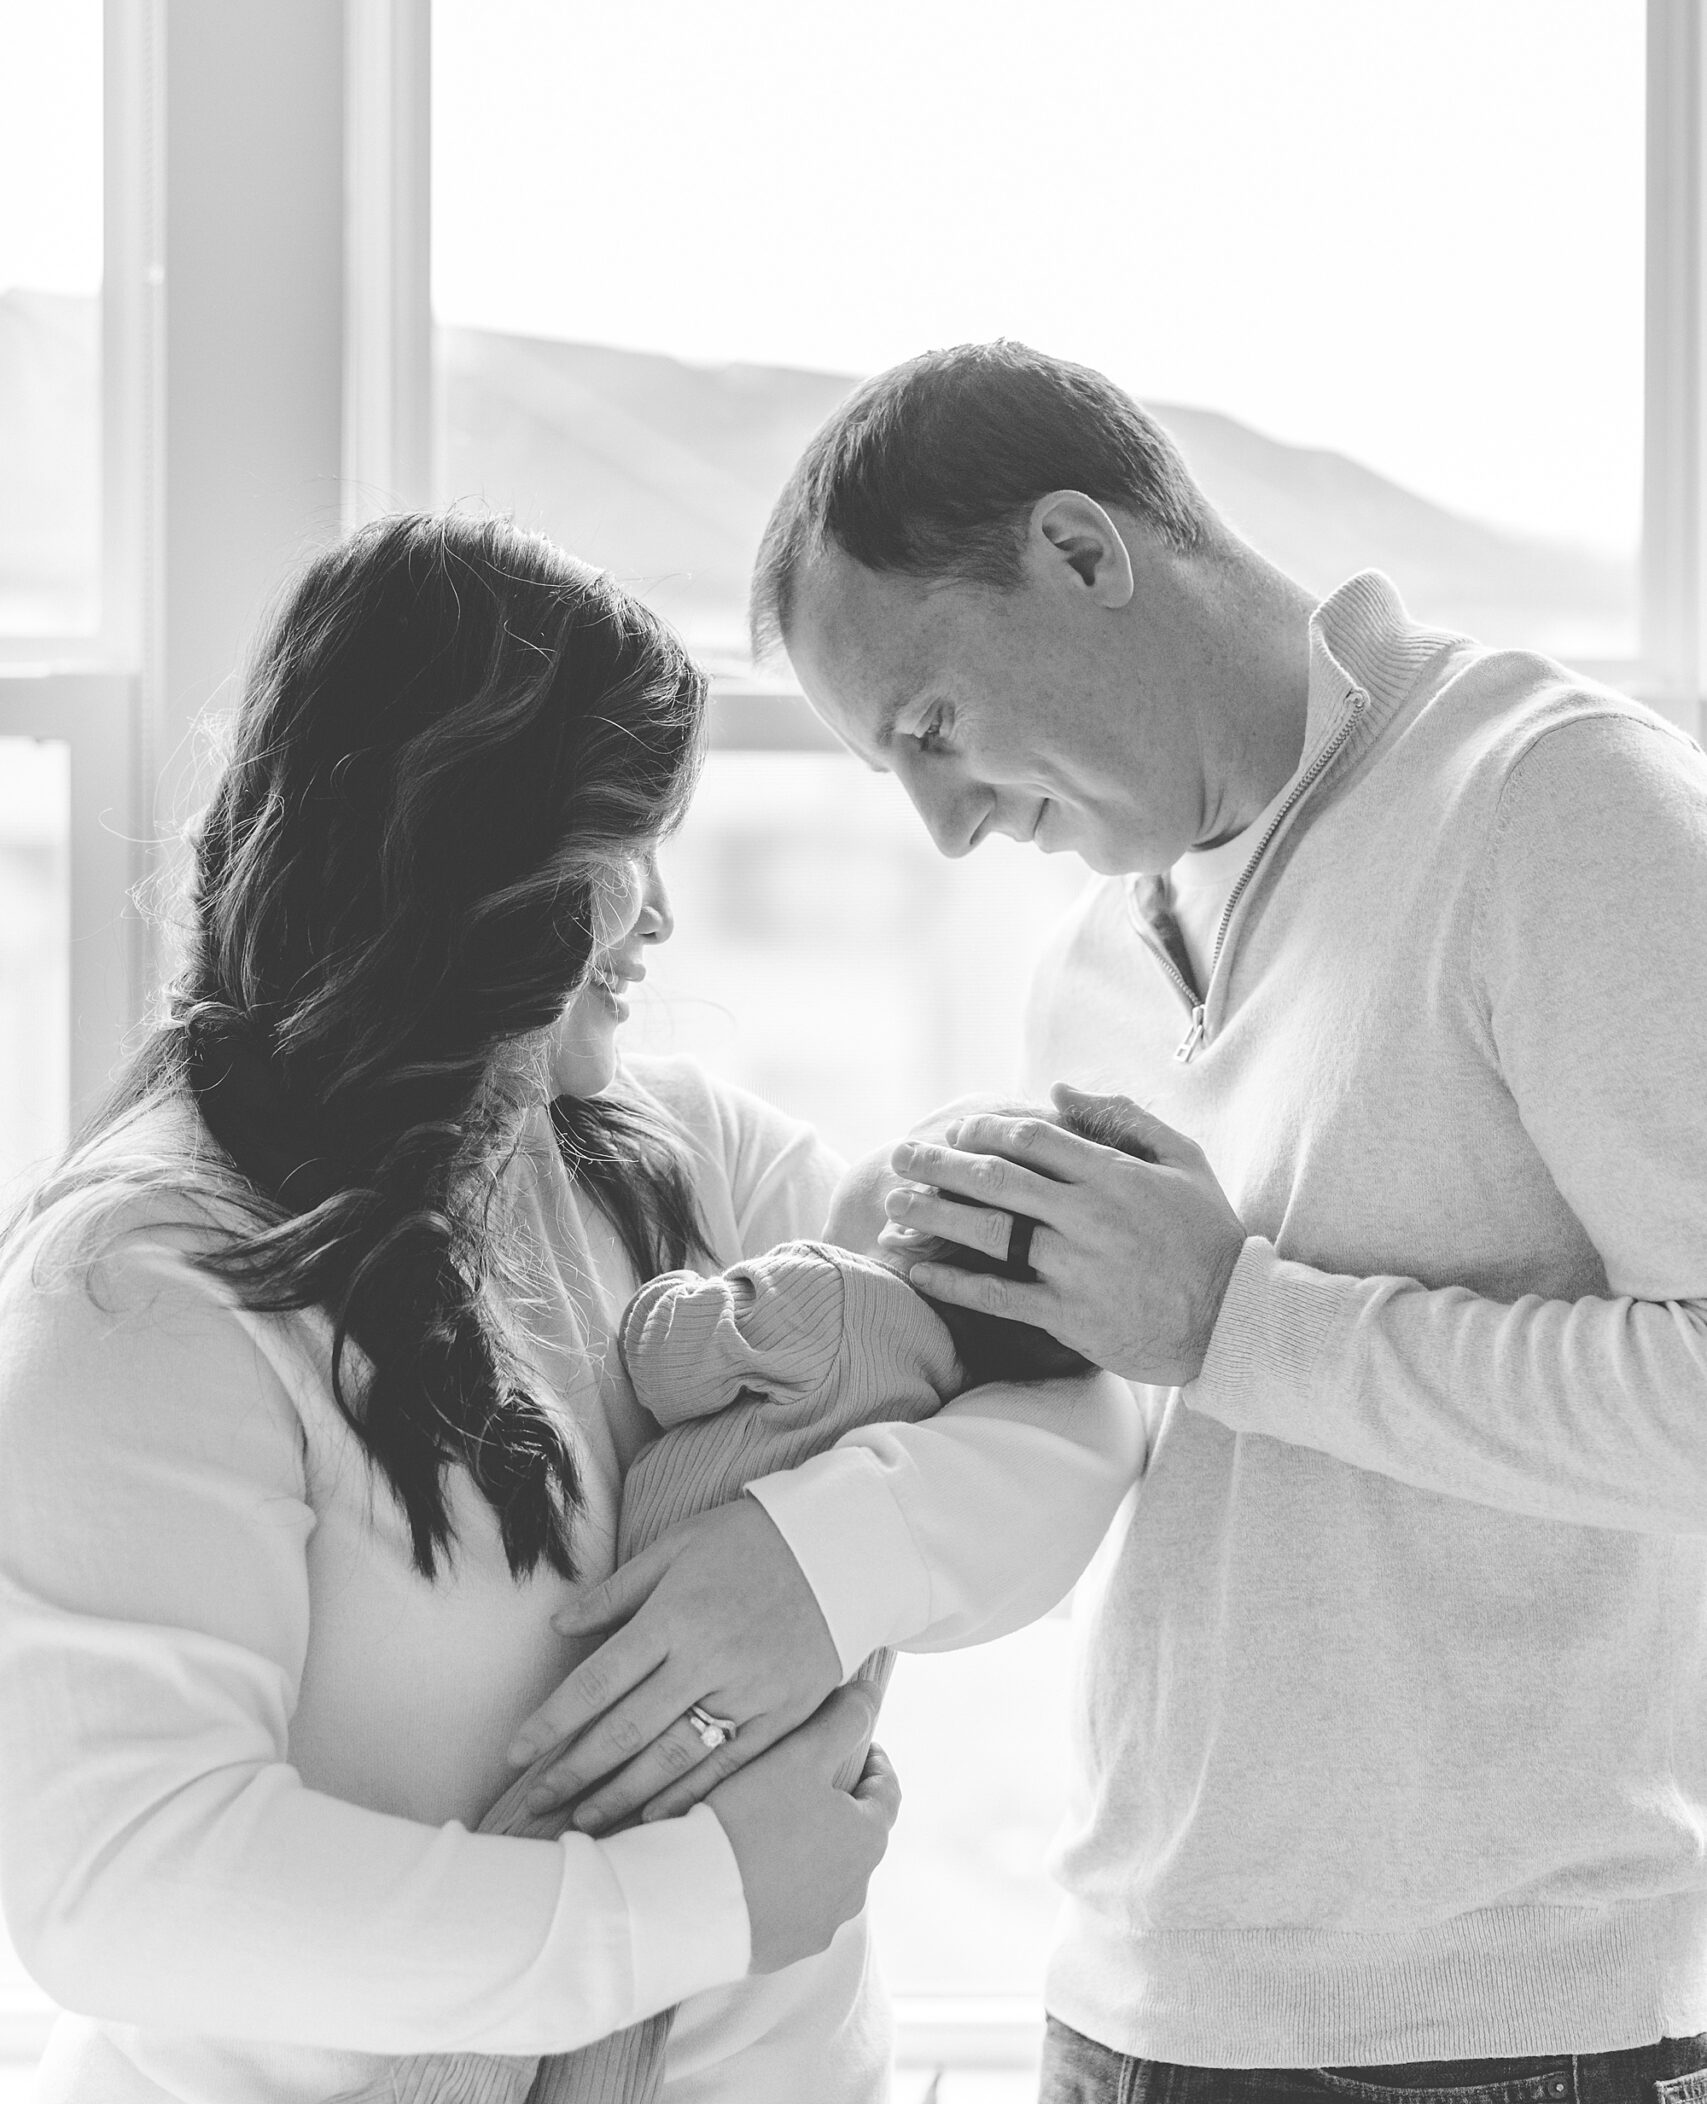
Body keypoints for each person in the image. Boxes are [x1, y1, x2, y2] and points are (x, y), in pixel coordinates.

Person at [0, 511, 1138, 2104]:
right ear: (466, 859)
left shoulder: (673, 1157)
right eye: (624, 847)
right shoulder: (143, 1287)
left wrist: (817, 1568)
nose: (658, 920)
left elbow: (1076, 1392)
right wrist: (698, 1906)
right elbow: (128, 1887)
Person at [722, 338, 1707, 2104]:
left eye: (932, 729)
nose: (945, 829)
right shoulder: (1091, 968)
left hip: (1501, 2030)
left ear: (1084, 550)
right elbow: (1195, 1455)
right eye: (896, 776)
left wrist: (1232, 1325)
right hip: (1140, 1997)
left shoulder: (1557, 808)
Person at [349, 1088, 1102, 2104]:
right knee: (632, 2012)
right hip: (767, 1733)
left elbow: (663, 1358)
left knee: (538, 1862)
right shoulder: (942, 1380)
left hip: (656, 1685)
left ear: (916, 1215)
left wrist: (676, 1292)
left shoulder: (828, 1295)